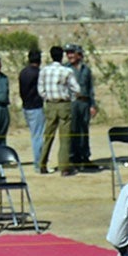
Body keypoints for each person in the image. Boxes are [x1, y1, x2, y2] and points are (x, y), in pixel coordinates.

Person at [37, 43, 78, 174]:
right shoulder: (66, 71)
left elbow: (40, 89)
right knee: (65, 137)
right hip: (63, 103)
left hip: (50, 104)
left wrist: (47, 98)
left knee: (48, 135)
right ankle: (64, 167)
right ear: (62, 56)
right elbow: (76, 89)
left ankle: (42, 164)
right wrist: (70, 98)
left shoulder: (44, 70)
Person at [68, 45, 99, 169]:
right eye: (68, 53)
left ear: (79, 55)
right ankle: (73, 158)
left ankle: (85, 157)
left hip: (84, 103)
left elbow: (90, 88)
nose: (69, 56)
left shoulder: (86, 70)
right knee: (73, 131)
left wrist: (93, 105)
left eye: (72, 53)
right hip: (72, 103)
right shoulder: (66, 69)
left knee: (84, 131)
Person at [19, 48, 45, 166]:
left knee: (35, 134)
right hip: (36, 107)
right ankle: (38, 161)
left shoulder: (23, 72)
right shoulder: (39, 73)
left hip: (26, 106)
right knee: (38, 136)